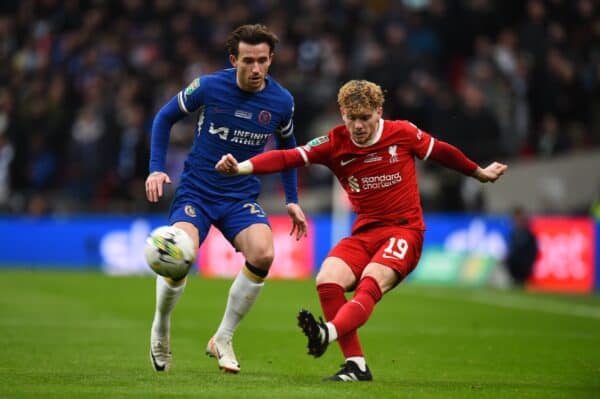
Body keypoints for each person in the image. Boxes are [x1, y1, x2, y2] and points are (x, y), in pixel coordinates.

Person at [215, 79, 507, 381]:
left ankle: (326, 333)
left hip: (404, 232)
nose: (358, 126)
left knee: (372, 279)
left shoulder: (403, 133)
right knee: (327, 279)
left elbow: (442, 152)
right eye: (351, 118)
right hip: (365, 232)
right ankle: (356, 366)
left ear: (379, 111)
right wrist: (241, 167)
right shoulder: (334, 142)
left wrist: (478, 172)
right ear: (342, 113)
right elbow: (289, 157)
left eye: (365, 118)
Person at [145, 24, 308, 374]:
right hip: (197, 193)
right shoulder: (208, 86)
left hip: (239, 198)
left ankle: (223, 337)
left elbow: (288, 151)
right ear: (233, 59)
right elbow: (164, 118)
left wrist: (292, 198)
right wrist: (156, 168)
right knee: (179, 256)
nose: (255, 69)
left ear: (271, 60)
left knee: (264, 253)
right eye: (247, 60)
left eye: (262, 61)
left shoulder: (281, 102)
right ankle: (161, 327)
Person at [505, 207, 538, 286]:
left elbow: (533, 252)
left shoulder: (529, 235)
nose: (516, 221)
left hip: (524, 266)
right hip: (514, 266)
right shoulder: (513, 234)